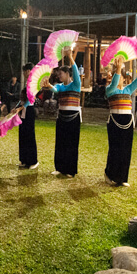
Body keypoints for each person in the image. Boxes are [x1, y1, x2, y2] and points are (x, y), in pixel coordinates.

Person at [105, 53, 137, 187]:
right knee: (115, 149)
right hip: (114, 120)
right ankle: (110, 174)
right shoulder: (110, 89)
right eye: (116, 76)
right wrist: (118, 69)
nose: (118, 78)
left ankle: (122, 178)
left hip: (127, 121)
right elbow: (114, 84)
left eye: (119, 76)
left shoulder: (128, 89)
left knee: (126, 150)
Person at [47, 48, 82, 177]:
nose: (59, 76)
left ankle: (70, 170)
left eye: (61, 74)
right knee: (60, 143)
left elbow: (77, 74)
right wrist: (49, 85)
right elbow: (55, 89)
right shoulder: (60, 86)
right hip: (61, 117)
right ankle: (60, 168)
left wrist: (70, 57)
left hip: (73, 118)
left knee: (72, 144)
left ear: (68, 74)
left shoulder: (75, 85)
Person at [17, 62, 38, 169]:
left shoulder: (33, 83)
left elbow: (30, 99)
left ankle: (33, 161)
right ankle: (24, 159)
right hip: (23, 110)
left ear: (30, 71)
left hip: (29, 111)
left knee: (29, 136)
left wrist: (20, 108)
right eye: (24, 71)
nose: (24, 73)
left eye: (26, 71)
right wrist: (17, 107)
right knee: (23, 135)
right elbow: (22, 100)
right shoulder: (27, 83)